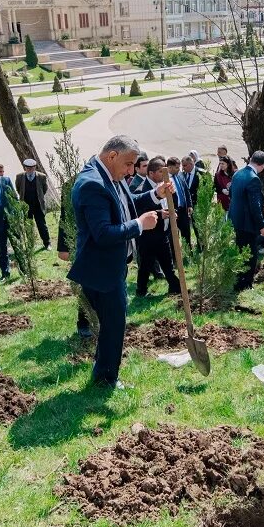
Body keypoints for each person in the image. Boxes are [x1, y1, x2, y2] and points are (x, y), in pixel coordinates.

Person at [68, 135, 171, 387]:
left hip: (112, 266)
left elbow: (126, 204)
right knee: (113, 326)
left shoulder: (110, 176)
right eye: (128, 164)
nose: (130, 171)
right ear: (111, 156)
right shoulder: (92, 184)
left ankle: (103, 372)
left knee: (113, 323)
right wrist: (139, 225)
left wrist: (155, 194)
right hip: (101, 269)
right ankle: (106, 378)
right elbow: (103, 233)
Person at [229, 151, 264, 291]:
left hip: (236, 219)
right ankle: (245, 284)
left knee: (240, 251)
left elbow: (233, 195)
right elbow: (255, 206)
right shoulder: (254, 179)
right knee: (251, 254)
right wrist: (261, 226)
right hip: (247, 223)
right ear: (263, 165)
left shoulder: (238, 174)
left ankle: (238, 279)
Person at [135, 156, 180, 298]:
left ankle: (175, 288)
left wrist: (174, 212)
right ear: (151, 173)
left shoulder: (165, 185)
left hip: (163, 234)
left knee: (168, 264)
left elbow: (173, 201)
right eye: (161, 171)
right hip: (148, 237)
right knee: (145, 266)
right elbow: (139, 211)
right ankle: (141, 291)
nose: (164, 174)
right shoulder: (141, 189)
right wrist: (161, 214)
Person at [15, 158, 52, 249]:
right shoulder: (19, 177)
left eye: (32, 168)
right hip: (26, 205)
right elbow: (18, 189)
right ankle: (31, 244)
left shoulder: (41, 176)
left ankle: (47, 243)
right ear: (25, 168)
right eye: (28, 168)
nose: (30, 170)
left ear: (35, 167)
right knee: (28, 225)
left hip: (38, 205)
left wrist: (38, 197)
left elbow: (44, 189)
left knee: (41, 225)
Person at [176, 154, 202, 247]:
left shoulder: (201, 173)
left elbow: (207, 191)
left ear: (191, 164)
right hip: (188, 207)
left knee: (199, 227)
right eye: (182, 166)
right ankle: (189, 247)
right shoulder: (182, 175)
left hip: (199, 205)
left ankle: (201, 246)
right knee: (188, 228)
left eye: (185, 165)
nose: (183, 168)